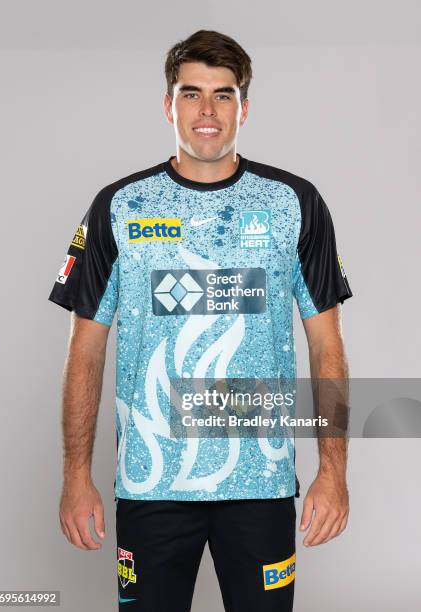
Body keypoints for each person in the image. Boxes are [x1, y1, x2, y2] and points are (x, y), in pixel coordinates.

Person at [49, 29, 353, 612]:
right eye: (191, 94)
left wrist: (332, 472)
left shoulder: (294, 202)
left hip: (262, 487)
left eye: (223, 95)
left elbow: (327, 347)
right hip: (148, 485)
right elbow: (84, 351)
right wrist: (75, 474)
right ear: (169, 105)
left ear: (245, 107)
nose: (207, 111)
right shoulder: (120, 206)